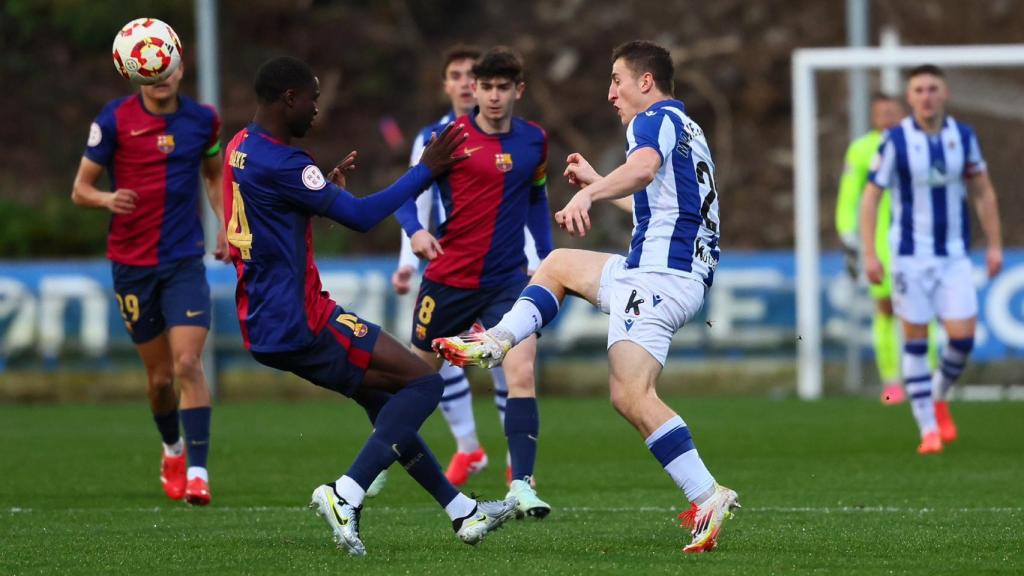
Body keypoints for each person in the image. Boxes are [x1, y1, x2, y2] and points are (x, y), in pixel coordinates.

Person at [434, 40, 739, 553]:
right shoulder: (686, 128)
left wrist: (588, 193)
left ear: (646, 82)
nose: (610, 93)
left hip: (661, 278)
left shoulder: (652, 119)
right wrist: (600, 181)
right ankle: (497, 341)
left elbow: (642, 171)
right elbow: (660, 205)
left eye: (617, 79)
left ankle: (708, 494)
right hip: (666, 273)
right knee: (559, 266)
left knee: (633, 394)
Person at [222, 56, 515, 556]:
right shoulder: (287, 163)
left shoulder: (240, 147)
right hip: (302, 320)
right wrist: (426, 170)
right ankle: (346, 493)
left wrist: (318, 192)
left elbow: (274, 211)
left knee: (386, 405)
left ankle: (461, 512)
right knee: (425, 383)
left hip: (263, 319)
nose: (317, 109)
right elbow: (359, 217)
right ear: (288, 98)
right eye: (312, 98)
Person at [394, 47, 554, 518]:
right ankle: (376, 463)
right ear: (476, 91)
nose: (494, 96)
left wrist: (545, 258)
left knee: (522, 373)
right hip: (450, 281)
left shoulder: (534, 141)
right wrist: (417, 232)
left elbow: (537, 200)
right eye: (487, 87)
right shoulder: (447, 139)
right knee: (414, 382)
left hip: (508, 281)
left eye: (504, 87)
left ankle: (521, 484)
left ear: (517, 90)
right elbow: (407, 195)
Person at [72, 60, 226, 506]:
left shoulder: (203, 120)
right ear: (133, 74)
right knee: (160, 379)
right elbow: (80, 189)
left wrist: (225, 224)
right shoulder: (114, 119)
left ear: (179, 68)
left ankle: (199, 472)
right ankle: (172, 450)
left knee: (187, 364)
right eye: (149, 69)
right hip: (132, 266)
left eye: (167, 67)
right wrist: (106, 198)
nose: (160, 76)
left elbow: (213, 175)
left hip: (183, 262)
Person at [860, 64, 1003, 454]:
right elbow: (870, 197)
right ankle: (928, 429)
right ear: (910, 98)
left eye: (932, 88)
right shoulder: (895, 141)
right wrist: (870, 253)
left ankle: (938, 394)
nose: (926, 95)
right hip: (909, 258)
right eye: (919, 89)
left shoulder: (964, 137)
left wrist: (994, 244)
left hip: (954, 256)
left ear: (945, 94)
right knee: (917, 342)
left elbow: (983, 191)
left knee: (963, 339)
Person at [835, 93, 908, 404]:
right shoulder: (863, 149)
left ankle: (927, 377)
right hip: (879, 242)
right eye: (881, 112)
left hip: (917, 240)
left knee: (923, 310)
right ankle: (892, 380)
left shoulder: (915, 144)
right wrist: (848, 234)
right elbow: (850, 194)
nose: (887, 117)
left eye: (892, 111)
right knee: (886, 308)